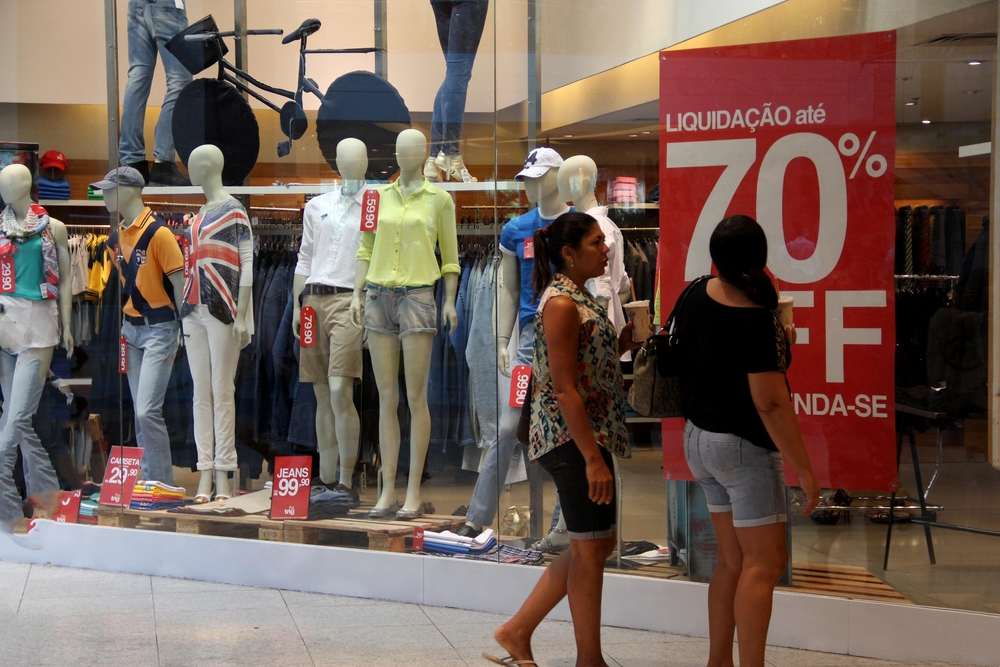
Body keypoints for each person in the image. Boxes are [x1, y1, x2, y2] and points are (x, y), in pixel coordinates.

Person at [487, 212, 634, 667]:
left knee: (595, 544)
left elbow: (584, 365)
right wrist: (591, 458)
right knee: (590, 549)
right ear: (569, 254)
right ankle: (588, 658)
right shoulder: (562, 303)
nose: (605, 249)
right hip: (572, 438)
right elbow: (565, 387)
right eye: (595, 243)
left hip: (588, 433)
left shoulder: (578, 296)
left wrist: (625, 341)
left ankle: (517, 631)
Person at [676, 215, 820, 667]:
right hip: (742, 449)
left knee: (732, 560)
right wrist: (805, 469)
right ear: (760, 260)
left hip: (698, 439)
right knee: (764, 563)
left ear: (715, 257)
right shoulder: (757, 319)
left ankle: (718, 660)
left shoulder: (695, 293)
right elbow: (770, 403)